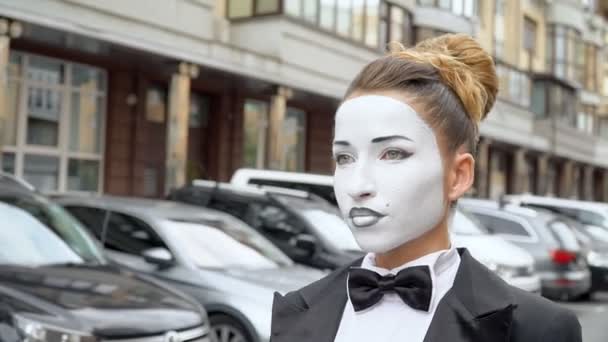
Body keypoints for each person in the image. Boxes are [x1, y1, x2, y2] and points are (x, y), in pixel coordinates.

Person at [270, 34, 582, 342]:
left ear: (458, 176)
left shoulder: (535, 329)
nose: (357, 186)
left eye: (393, 154)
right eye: (344, 157)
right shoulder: (298, 310)